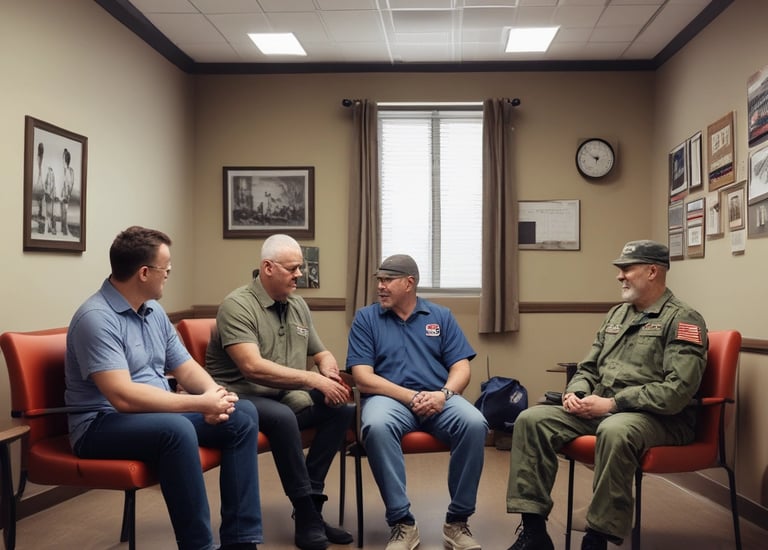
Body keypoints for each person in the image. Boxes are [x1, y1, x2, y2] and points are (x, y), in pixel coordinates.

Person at [65, 226, 262, 550]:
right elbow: (123, 397)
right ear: (144, 272)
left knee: (241, 415)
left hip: (156, 414)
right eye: (166, 269)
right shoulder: (96, 318)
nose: (169, 274)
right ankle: (198, 546)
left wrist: (218, 399)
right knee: (174, 431)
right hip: (100, 424)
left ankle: (241, 542)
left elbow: (185, 367)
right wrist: (200, 405)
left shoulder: (153, 312)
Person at [506, 240, 708, 550]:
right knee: (532, 419)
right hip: (604, 409)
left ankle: (595, 539)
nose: (619, 276)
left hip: (660, 419)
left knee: (616, 429)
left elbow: (677, 392)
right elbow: (588, 368)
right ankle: (534, 534)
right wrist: (576, 391)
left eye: (627, 269)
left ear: (653, 271)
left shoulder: (682, 319)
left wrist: (614, 403)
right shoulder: (616, 315)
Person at [205, 234, 355, 550]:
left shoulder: (297, 305)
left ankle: (310, 506)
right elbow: (252, 368)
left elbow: (321, 352)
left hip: (283, 395)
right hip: (238, 396)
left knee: (342, 409)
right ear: (268, 267)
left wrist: (327, 369)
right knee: (283, 417)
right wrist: (313, 381)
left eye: (300, 268)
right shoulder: (237, 305)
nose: (300, 274)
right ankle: (305, 511)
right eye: (293, 268)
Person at [346, 254, 489, 550]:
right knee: (375, 425)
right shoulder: (366, 318)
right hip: (389, 400)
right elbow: (362, 377)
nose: (381, 287)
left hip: (438, 398)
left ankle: (457, 523)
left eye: (388, 280)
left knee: (475, 423)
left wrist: (443, 395)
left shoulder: (441, 316)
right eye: (379, 281)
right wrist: (411, 397)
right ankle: (402, 523)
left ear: (409, 283)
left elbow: (461, 368)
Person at [60, 147, 75, 236]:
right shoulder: (64, 170)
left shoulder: (69, 171)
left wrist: (68, 193)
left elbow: (71, 183)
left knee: (66, 211)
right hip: (64, 193)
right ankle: (64, 229)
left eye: (64, 158)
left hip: (67, 194)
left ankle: (65, 229)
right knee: (63, 211)